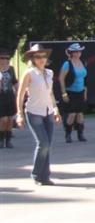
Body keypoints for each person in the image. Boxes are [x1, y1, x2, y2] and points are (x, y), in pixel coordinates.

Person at [15, 45, 61, 185]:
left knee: (48, 144)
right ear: (33, 59)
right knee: (43, 143)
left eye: (43, 56)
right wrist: (19, 114)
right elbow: (21, 94)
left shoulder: (49, 73)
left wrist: (56, 108)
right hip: (34, 111)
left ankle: (45, 176)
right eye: (38, 57)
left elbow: (50, 92)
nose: (41, 59)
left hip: (48, 111)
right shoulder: (29, 73)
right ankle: (36, 174)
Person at [59, 43, 88, 143]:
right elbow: (61, 78)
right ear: (71, 53)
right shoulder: (67, 64)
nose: (78, 53)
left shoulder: (83, 62)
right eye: (76, 51)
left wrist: (85, 91)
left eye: (79, 51)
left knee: (80, 114)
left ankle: (80, 134)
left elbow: (85, 78)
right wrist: (64, 93)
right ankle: (68, 134)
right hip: (71, 91)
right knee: (72, 114)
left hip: (81, 91)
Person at [0, 48, 18, 148]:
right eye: (2, 58)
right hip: (0, 98)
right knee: (3, 119)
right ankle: (1, 139)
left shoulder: (11, 69)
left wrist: (19, 92)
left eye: (7, 58)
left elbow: (15, 81)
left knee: (10, 119)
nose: (5, 60)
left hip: (10, 97)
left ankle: (8, 140)